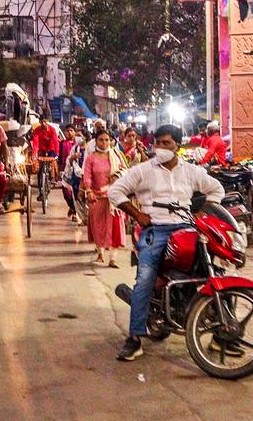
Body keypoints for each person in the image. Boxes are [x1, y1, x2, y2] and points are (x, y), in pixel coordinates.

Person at [108, 124, 225, 361]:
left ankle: (222, 336)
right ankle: (135, 337)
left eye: (166, 143)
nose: (160, 148)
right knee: (144, 279)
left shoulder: (192, 172)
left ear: (177, 146)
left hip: (187, 228)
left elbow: (216, 189)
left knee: (216, 272)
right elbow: (116, 192)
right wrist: (138, 215)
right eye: (157, 143)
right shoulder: (143, 171)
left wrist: (203, 212)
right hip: (156, 230)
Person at [83, 129, 127, 267]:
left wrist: (116, 176)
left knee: (115, 227)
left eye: (107, 140)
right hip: (97, 196)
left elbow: (125, 170)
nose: (104, 143)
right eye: (101, 140)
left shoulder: (116, 155)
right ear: (95, 141)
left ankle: (112, 258)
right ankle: (100, 253)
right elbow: (87, 176)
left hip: (113, 197)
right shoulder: (91, 158)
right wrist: (88, 190)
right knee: (98, 226)